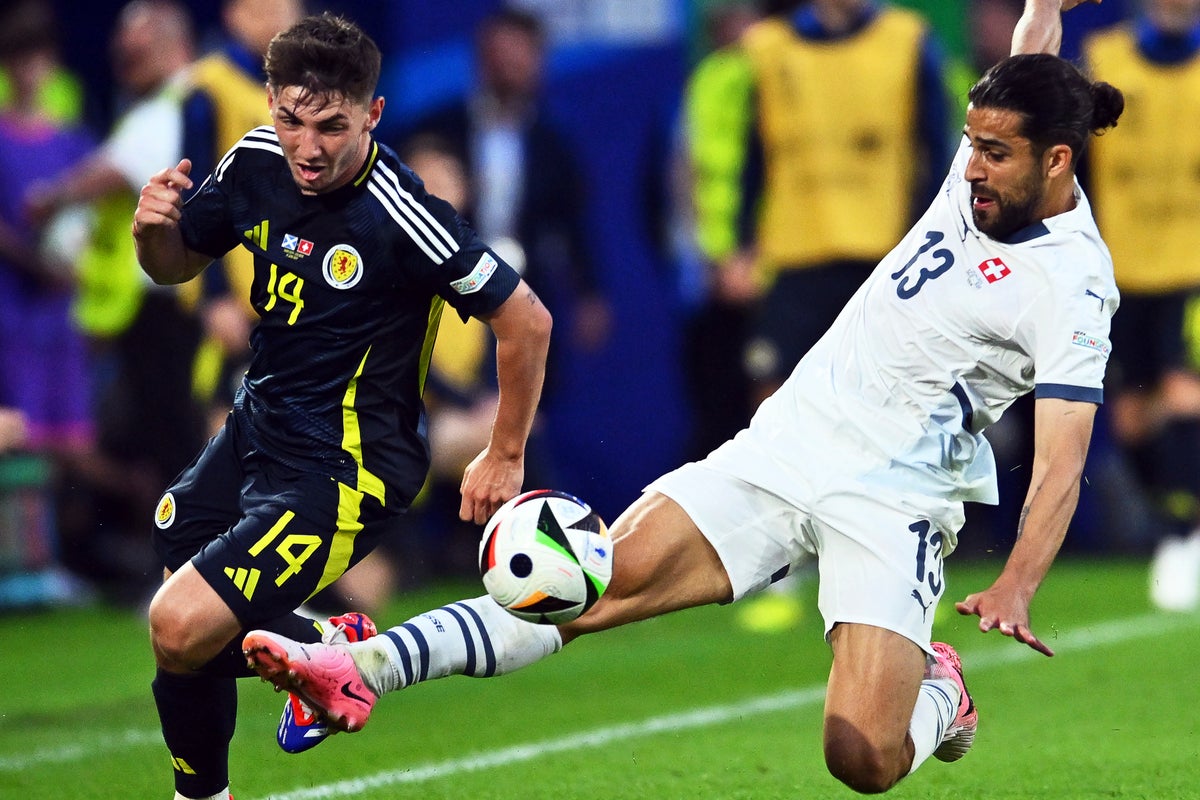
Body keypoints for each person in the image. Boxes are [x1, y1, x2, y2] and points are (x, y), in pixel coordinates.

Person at [243, 0, 1123, 793]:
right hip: (788, 443)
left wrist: (1017, 581)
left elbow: (1063, 456)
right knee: (585, 584)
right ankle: (359, 665)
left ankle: (942, 690)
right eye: (969, 141)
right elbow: (1032, 56)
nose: (971, 166)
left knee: (863, 758)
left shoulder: (1074, 283)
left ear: (1055, 160)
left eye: (994, 152)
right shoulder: (994, 163)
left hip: (896, 498)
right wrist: (1043, 6)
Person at [133, 13, 552, 800]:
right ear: (270, 104)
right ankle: (329, 646)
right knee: (178, 608)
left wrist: (504, 451)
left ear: (372, 115)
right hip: (258, 430)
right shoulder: (255, 161)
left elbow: (526, 319)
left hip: (346, 466)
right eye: (291, 119)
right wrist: (152, 233)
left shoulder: (401, 213)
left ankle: (327, 660)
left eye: (332, 125)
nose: (309, 146)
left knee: (177, 625)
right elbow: (177, 264)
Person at [24, 0, 209, 602]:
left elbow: (111, 170)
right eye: (120, 47)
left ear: (172, 45)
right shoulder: (158, 105)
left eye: (138, 44)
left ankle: (188, 573)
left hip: (167, 306)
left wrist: (49, 198)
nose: (123, 56)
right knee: (149, 441)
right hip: (141, 307)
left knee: (172, 443)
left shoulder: (179, 102)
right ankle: (163, 568)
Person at [703, 0, 953, 412]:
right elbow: (753, 159)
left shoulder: (909, 40)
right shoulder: (768, 48)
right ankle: (781, 477)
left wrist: (926, 246)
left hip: (883, 258)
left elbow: (936, 156)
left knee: (886, 394)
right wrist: (740, 247)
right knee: (773, 391)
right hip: (795, 252)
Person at [395, 8, 610, 393]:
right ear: (482, 56)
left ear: (539, 61)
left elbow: (572, 221)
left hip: (524, 287)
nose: (511, 65)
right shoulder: (439, 128)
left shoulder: (553, 144)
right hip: (448, 283)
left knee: (525, 401)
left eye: (522, 55)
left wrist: (588, 293)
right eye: (502, 54)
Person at [1081, 0, 1200, 610]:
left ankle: (1184, 537)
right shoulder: (1105, 60)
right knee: (1131, 416)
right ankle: (1173, 517)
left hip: (1193, 265)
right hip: (1122, 267)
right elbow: (1077, 164)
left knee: (1185, 392)